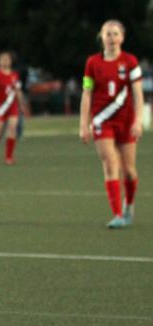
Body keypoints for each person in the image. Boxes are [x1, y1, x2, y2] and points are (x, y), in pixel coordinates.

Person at [79, 19, 144, 229]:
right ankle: (117, 214)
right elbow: (87, 94)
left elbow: (138, 94)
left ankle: (129, 205)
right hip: (101, 120)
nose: (112, 38)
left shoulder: (130, 62)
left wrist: (138, 120)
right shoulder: (92, 63)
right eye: (108, 34)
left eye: (116, 34)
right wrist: (83, 124)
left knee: (130, 171)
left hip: (125, 121)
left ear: (122, 37)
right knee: (109, 163)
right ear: (101, 37)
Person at [0, 51, 27, 165]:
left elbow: (17, 91)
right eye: (2, 59)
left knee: (12, 128)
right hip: (0, 107)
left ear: (11, 61)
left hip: (12, 106)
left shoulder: (14, 75)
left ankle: (9, 157)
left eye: (7, 59)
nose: (5, 61)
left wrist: (22, 104)